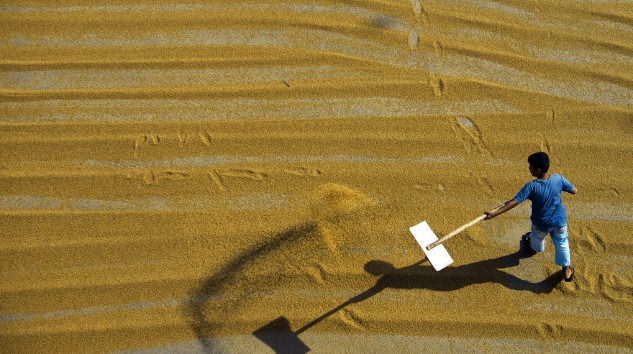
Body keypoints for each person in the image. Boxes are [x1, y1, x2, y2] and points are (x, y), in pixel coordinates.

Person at [484, 152, 578, 282]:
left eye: (531, 167)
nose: (529, 168)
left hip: (541, 224)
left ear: (538, 170)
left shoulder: (531, 186)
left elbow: (514, 202)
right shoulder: (559, 179)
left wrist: (494, 213)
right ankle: (567, 271)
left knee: (536, 241)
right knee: (562, 243)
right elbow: (574, 190)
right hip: (559, 221)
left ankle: (534, 249)